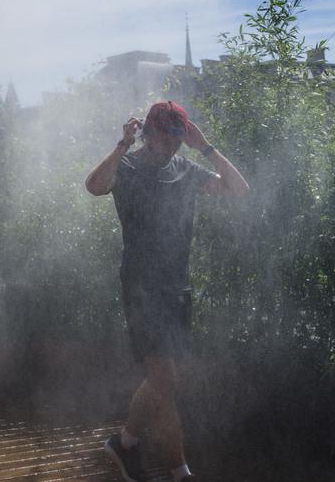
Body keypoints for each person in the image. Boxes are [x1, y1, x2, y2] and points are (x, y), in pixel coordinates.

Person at [85, 101, 249, 482]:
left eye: (179, 138)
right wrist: (122, 144)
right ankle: (180, 471)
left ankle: (124, 442)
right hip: (141, 288)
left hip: (177, 287)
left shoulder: (186, 169)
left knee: (162, 380)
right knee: (165, 381)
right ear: (150, 133)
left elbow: (239, 190)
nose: (174, 146)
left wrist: (205, 147)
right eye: (167, 138)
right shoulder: (126, 166)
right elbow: (94, 186)